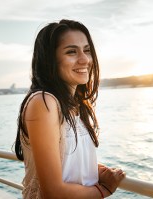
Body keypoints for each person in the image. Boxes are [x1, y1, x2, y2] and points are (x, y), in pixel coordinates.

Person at [15, 19, 125, 198]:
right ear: (50, 60)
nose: (85, 59)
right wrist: (104, 189)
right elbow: (53, 191)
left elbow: (64, 161)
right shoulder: (44, 102)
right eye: (71, 52)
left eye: (87, 50)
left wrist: (94, 170)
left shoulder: (75, 106)